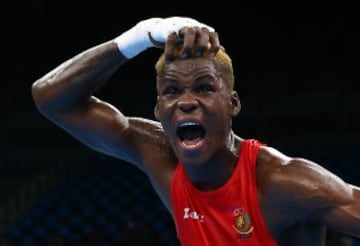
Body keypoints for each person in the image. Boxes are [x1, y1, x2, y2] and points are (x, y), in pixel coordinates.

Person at [31, 16, 360, 246]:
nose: (186, 102)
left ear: (232, 103)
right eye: (172, 91)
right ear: (159, 110)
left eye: (203, 88)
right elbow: (51, 98)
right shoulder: (157, 154)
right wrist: (139, 37)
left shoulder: (284, 183)